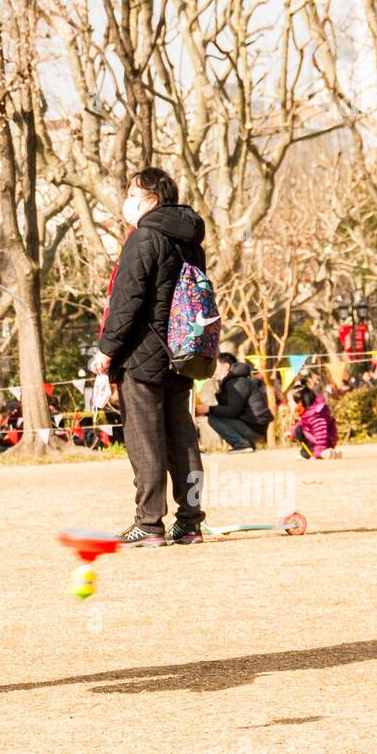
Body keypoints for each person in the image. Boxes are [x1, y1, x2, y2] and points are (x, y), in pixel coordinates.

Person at [91, 167, 206, 545]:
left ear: (152, 199)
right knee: (182, 439)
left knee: (145, 440)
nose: (128, 201)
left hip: (142, 354)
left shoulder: (144, 238)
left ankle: (149, 522)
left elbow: (128, 301)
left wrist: (107, 351)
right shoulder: (190, 240)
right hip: (181, 351)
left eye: (132, 193)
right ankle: (190, 521)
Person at [195, 352, 273, 452]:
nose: (212, 369)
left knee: (213, 419)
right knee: (214, 416)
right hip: (253, 426)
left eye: (215, 365)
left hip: (254, 428)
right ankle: (246, 444)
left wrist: (208, 409)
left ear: (226, 366)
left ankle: (242, 444)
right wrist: (207, 410)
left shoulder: (236, 382)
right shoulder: (234, 380)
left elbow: (233, 410)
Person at [287, 382, 340, 459]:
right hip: (314, 439)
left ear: (300, 402)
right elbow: (301, 423)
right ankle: (308, 453)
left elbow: (321, 434)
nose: (288, 403)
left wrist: (318, 452)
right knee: (298, 429)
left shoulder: (316, 414)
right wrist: (291, 432)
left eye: (290, 401)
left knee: (299, 430)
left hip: (325, 441)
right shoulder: (306, 412)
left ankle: (323, 451)